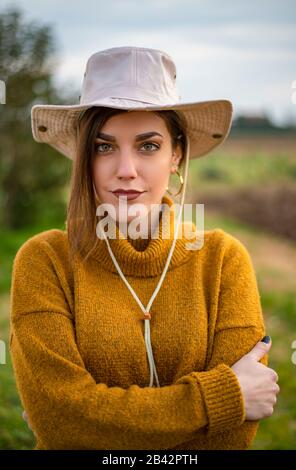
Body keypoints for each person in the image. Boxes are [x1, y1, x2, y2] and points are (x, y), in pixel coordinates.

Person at [10, 46, 279, 450]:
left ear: (177, 155)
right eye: (103, 147)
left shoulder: (223, 260)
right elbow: (62, 421)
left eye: (148, 146)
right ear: (83, 158)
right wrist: (222, 398)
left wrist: (92, 422)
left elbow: (232, 437)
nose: (126, 170)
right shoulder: (44, 261)